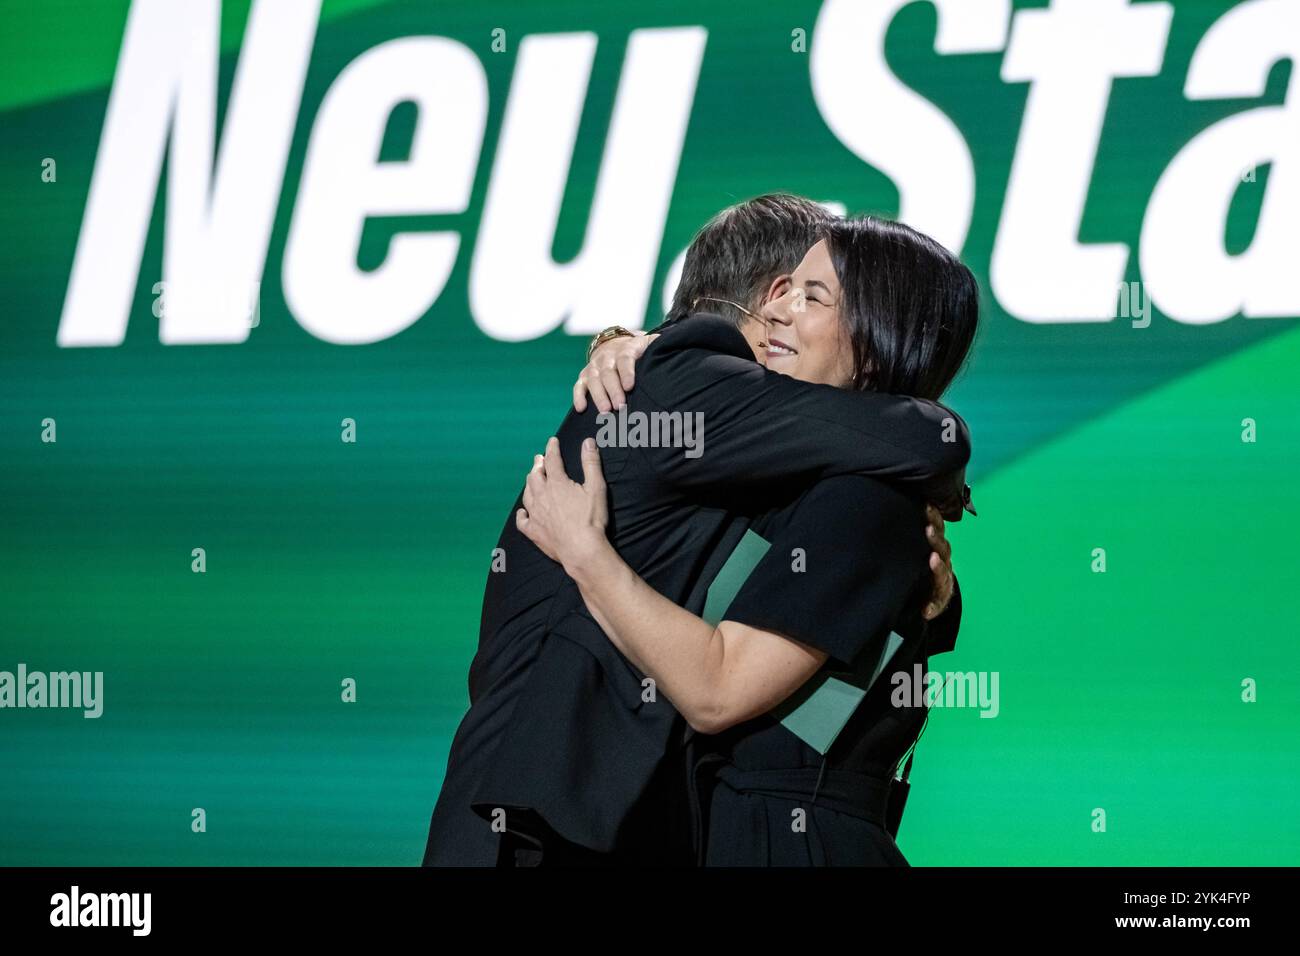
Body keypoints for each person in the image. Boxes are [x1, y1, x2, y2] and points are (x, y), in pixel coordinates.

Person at [422, 195, 973, 866]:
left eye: (811, 296)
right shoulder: (676, 380)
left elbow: (753, 673)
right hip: (527, 823)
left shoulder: (823, 481)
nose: (779, 310)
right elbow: (926, 440)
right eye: (784, 289)